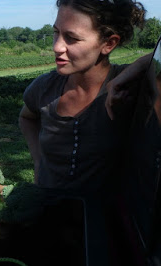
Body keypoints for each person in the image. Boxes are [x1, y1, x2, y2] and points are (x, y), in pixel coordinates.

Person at [19, 0, 146, 191]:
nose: (57, 47)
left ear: (109, 44)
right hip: (48, 213)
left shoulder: (130, 87)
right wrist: (38, 161)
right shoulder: (44, 88)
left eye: (72, 38)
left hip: (107, 218)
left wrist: (137, 68)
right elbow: (26, 117)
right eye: (56, 33)